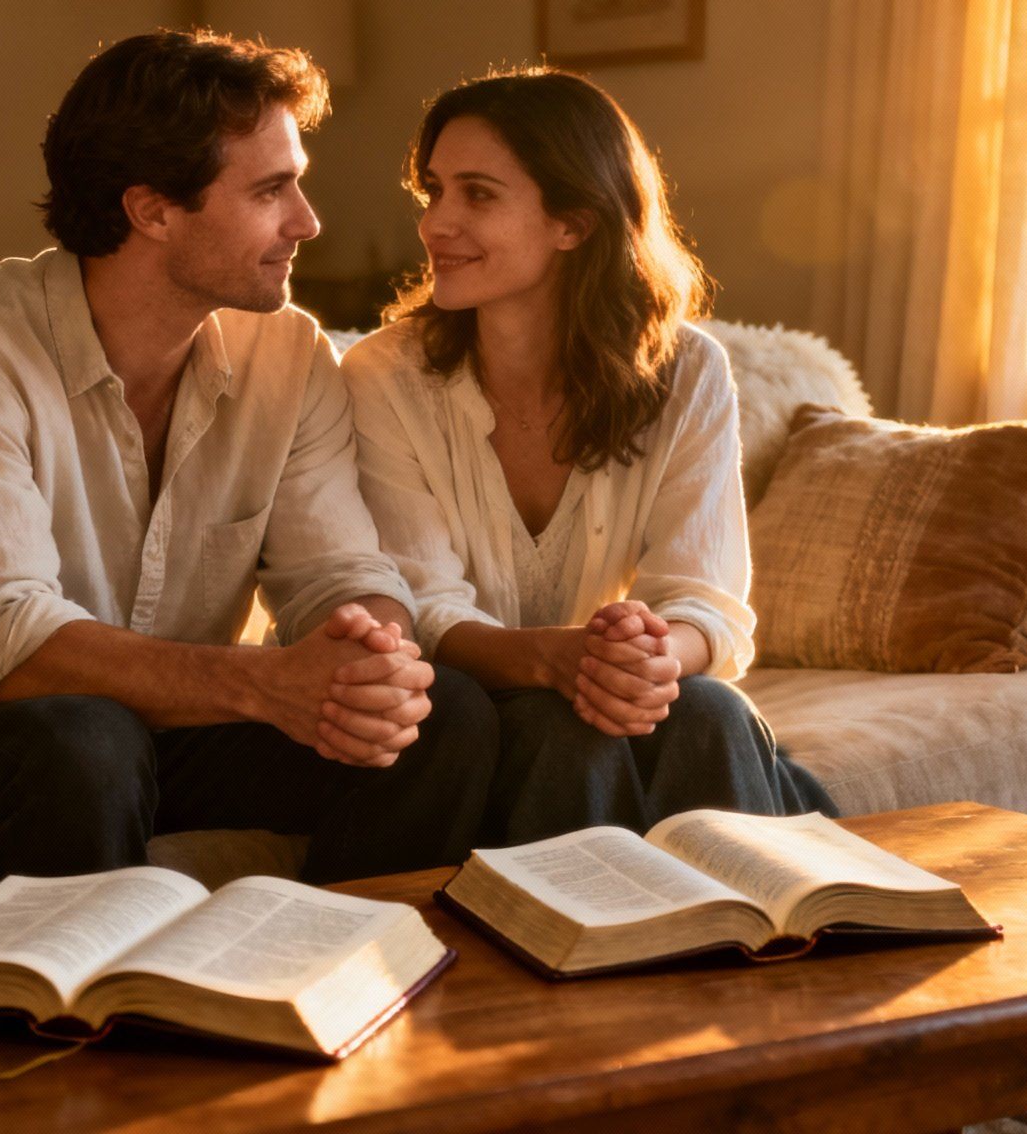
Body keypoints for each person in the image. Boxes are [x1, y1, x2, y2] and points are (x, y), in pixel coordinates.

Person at [0, 31, 498, 891]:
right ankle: (68, 1021)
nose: (307, 222)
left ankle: (331, 983)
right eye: (272, 189)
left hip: (168, 732)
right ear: (153, 210)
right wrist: (268, 682)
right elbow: (7, 647)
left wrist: (374, 660)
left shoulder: (289, 355)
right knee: (86, 739)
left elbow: (337, 573)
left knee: (446, 715)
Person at [339, 69, 833, 848]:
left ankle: (765, 946)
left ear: (573, 222)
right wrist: (558, 661)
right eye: (433, 191)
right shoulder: (383, 376)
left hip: (596, 691)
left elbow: (705, 604)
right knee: (563, 730)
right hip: (454, 716)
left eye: (478, 194)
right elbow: (421, 610)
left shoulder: (687, 372)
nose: (437, 224)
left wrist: (644, 661)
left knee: (710, 708)